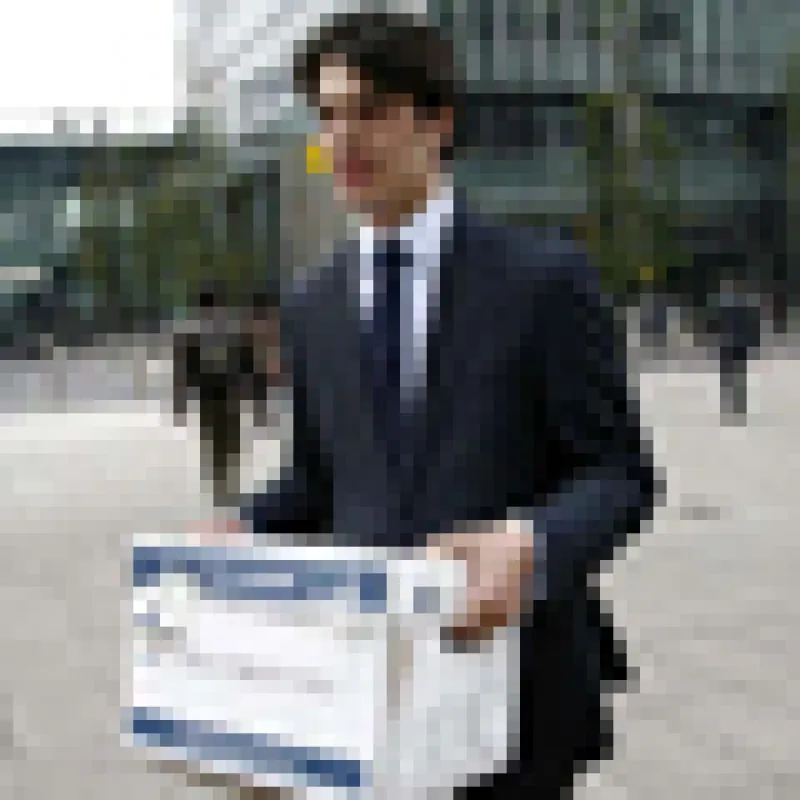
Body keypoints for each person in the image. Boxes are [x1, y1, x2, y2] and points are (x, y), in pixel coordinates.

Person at [213, 12, 656, 796]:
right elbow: (319, 480)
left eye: (372, 112)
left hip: (515, 690)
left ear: (438, 122)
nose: (345, 141)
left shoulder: (542, 281)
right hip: (371, 686)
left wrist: (531, 542)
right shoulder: (311, 305)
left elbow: (620, 474)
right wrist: (241, 527)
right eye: (329, 117)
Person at [172, 281, 257, 506]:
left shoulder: (195, 331)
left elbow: (185, 368)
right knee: (226, 436)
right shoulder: (231, 328)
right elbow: (246, 360)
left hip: (212, 389)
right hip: (224, 388)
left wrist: (180, 398)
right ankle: (226, 483)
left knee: (218, 437)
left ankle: (222, 483)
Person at [713, 278, 762, 421]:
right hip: (738, 344)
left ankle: (730, 403)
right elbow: (752, 327)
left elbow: (718, 326)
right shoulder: (745, 307)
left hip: (729, 343)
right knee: (737, 374)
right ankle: (737, 404)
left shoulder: (725, 307)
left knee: (729, 374)